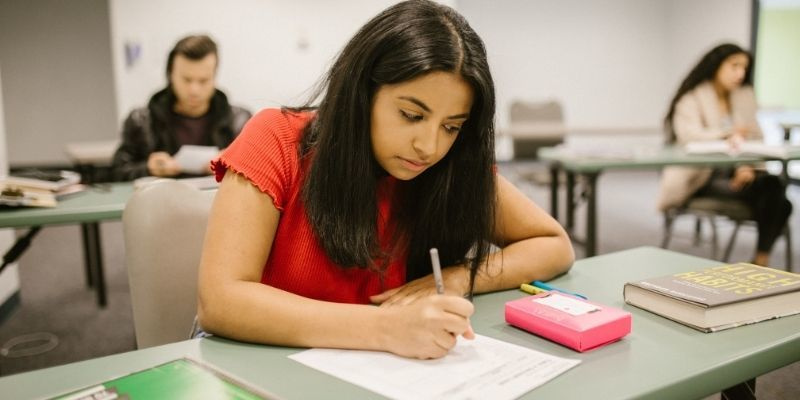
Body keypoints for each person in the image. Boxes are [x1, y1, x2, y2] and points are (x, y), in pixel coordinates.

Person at [197, 0, 574, 360]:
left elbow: (553, 245)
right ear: (362, 92)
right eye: (411, 115)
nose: (429, 147)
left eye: (452, 126)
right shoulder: (276, 139)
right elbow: (221, 302)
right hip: (260, 365)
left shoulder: (451, 166)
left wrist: (459, 278)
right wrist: (385, 328)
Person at [658, 43, 792, 267]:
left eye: (744, 68)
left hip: (740, 173)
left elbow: (755, 138)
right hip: (700, 176)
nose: (740, 73)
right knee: (778, 199)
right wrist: (726, 133)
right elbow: (689, 137)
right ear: (716, 66)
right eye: (734, 66)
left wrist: (746, 167)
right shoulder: (692, 97)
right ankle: (761, 261)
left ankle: (760, 259)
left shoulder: (744, 97)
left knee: (775, 192)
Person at [111, 35, 251, 181]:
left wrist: (233, 164)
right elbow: (116, 173)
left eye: (203, 80)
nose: (194, 90)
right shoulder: (141, 121)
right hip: (161, 201)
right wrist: (148, 168)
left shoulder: (239, 121)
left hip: (219, 201)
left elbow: (262, 174)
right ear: (170, 75)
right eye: (186, 79)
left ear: (214, 77)